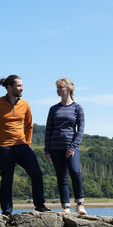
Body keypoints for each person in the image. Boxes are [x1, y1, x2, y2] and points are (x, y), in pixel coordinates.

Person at [0, 74, 48, 215]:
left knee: (36, 173)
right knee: (7, 180)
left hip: (22, 146)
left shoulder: (25, 104)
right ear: (9, 87)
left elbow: (29, 126)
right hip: (4, 147)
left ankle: (40, 206)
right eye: (19, 86)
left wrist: (28, 143)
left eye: (22, 86)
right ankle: (6, 211)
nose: (21, 88)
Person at [44, 77, 86, 214]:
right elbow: (48, 130)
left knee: (75, 172)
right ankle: (66, 206)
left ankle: (80, 204)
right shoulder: (53, 109)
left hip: (71, 147)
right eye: (57, 88)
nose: (58, 90)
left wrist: (73, 147)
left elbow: (80, 130)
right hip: (55, 148)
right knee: (61, 177)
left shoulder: (77, 108)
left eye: (60, 87)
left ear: (68, 89)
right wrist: (47, 150)